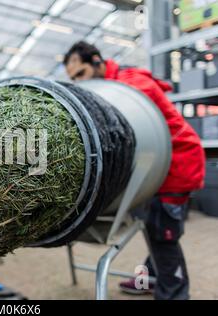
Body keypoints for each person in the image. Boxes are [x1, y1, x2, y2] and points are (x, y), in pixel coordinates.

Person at [63, 41, 206, 300]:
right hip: (155, 166)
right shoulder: (113, 86)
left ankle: (174, 294)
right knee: (155, 227)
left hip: (177, 164)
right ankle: (150, 278)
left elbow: (126, 120)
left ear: (97, 61)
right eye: (73, 79)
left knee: (164, 235)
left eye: (81, 74)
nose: (79, 82)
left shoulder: (131, 85)